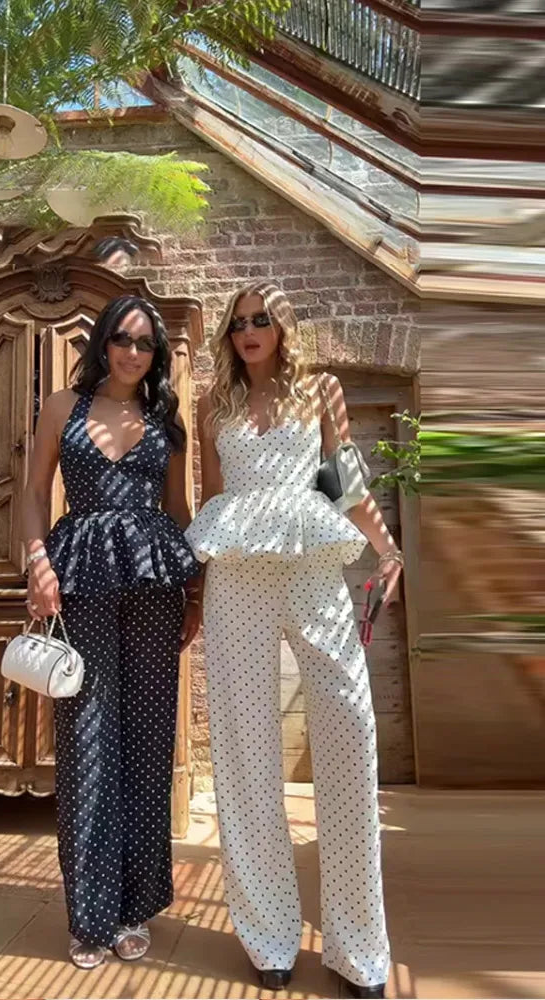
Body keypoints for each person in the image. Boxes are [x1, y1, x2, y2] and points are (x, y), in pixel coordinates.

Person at [186, 281, 403, 999]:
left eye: (261, 319)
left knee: (349, 732)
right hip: (237, 580)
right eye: (238, 322)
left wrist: (388, 548)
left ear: (282, 327)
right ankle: (270, 936)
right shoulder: (211, 403)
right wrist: (194, 592)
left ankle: (358, 949)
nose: (249, 330)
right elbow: (211, 502)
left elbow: (345, 484)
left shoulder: (321, 390)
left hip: (312, 568)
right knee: (244, 751)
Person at [21, 294, 202, 969]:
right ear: (103, 343)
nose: (132, 352)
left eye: (145, 343)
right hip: (81, 578)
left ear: (157, 354)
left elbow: (179, 509)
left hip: (154, 585)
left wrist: (195, 593)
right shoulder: (61, 408)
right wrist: (37, 563)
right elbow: (33, 493)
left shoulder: (165, 419)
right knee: (87, 742)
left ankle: (134, 906)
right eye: (123, 339)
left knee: (149, 742)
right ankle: (90, 915)